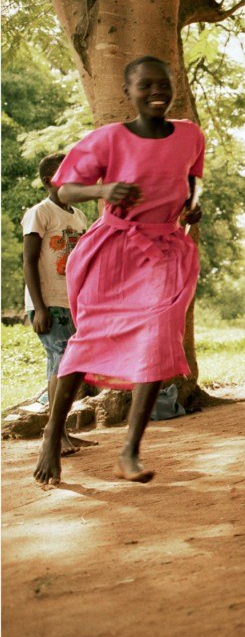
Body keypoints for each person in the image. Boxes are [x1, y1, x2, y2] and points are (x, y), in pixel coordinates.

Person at [33, 56, 204, 486]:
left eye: (162, 84)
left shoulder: (190, 135)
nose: (155, 92)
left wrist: (190, 205)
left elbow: (192, 179)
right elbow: (66, 187)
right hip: (113, 248)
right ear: (129, 93)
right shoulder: (108, 139)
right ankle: (53, 434)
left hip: (163, 248)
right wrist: (102, 189)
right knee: (88, 338)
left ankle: (130, 450)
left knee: (161, 332)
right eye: (144, 86)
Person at [22, 153, 95, 455]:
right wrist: (39, 307)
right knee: (62, 361)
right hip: (48, 302)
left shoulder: (78, 216)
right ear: (48, 180)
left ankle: (62, 430)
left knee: (69, 364)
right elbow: (28, 261)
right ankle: (56, 435)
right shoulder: (40, 213)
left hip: (73, 301)